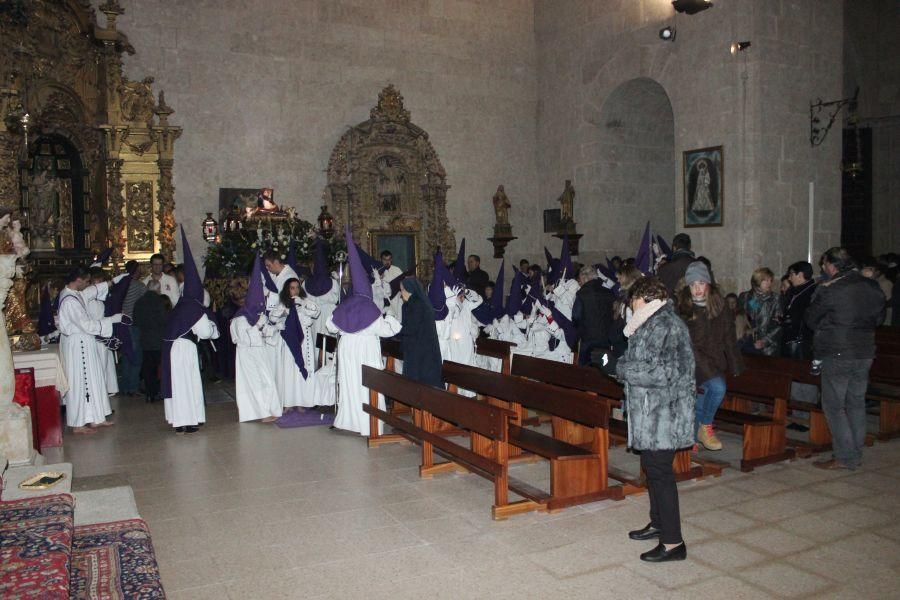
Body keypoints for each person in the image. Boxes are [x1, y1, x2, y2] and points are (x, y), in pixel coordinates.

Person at [615, 276, 694, 563]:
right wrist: (617, 365)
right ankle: (659, 523)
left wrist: (621, 370)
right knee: (652, 468)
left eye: (632, 300)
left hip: (666, 414)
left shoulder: (669, 326)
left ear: (644, 298)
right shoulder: (649, 323)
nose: (630, 306)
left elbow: (665, 373)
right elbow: (640, 362)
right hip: (651, 414)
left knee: (661, 474)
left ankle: (673, 543)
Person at [805, 247, 885, 470]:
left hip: (837, 352)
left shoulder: (831, 289)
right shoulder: (872, 285)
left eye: (823, 264)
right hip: (865, 351)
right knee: (856, 403)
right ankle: (855, 452)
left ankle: (844, 456)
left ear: (831, 265)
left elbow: (811, 319)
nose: (822, 269)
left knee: (834, 406)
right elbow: (879, 319)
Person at [327, 228, 402, 435]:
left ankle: (348, 421)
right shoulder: (371, 308)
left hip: (347, 349)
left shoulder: (345, 305)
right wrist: (392, 318)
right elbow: (386, 331)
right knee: (367, 386)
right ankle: (368, 424)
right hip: (366, 351)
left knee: (350, 384)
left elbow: (330, 326)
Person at [676, 261, 743, 451]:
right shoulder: (683, 309)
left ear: (708, 284)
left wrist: (735, 365)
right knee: (717, 388)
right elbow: (686, 343)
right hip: (692, 362)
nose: (697, 289)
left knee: (702, 400)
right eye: (692, 285)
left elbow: (730, 338)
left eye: (701, 283)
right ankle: (705, 427)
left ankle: (693, 437)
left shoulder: (721, 307)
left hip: (714, 361)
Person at [161, 229, 220, 434]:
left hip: (173, 348)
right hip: (185, 349)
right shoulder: (194, 307)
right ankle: (188, 420)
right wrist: (213, 328)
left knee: (178, 384)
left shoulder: (181, 304)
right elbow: (204, 332)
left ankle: (179, 420)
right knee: (187, 383)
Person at [58, 266, 122, 434]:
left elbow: (92, 291)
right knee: (80, 381)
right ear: (78, 280)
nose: (87, 284)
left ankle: (96, 418)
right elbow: (86, 324)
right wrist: (111, 321)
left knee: (93, 379)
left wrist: (111, 282)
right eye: (86, 281)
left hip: (85, 342)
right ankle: (78, 423)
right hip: (77, 344)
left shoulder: (76, 294)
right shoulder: (70, 300)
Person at [231, 255, 282, 423]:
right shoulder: (240, 318)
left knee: (266, 378)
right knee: (255, 382)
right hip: (249, 353)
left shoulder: (255, 314)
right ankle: (261, 412)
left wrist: (274, 328)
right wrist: (259, 326)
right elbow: (245, 339)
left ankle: (270, 408)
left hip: (260, 351)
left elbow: (265, 332)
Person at [273, 277, 320, 410]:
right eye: (292, 288)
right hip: (290, 341)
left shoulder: (305, 301)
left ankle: (302, 402)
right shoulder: (283, 303)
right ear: (287, 289)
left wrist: (303, 305)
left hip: (304, 340)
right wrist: (283, 314)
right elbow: (273, 317)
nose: (295, 290)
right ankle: (288, 402)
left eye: (297, 287)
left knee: (302, 367)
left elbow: (316, 312)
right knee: (289, 369)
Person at [398, 278, 443, 387]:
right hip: (417, 349)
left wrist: (394, 329)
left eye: (402, 290)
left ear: (410, 290)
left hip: (423, 352)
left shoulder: (417, 304)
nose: (401, 293)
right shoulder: (411, 304)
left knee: (423, 383)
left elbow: (411, 328)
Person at [133, 279, 168, 402]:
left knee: (148, 368)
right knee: (160, 367)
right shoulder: (160, 301)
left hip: (145, 339)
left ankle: (149, 393)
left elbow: (135, 320)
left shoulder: (139, 302)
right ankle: (160, 391)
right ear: (158, 289)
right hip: (158, 339)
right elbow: (164, 320)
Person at [573, 265, 615, 366]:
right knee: (604, 367)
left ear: (584, 278)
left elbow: (576, 316)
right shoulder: (609, 292)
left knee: (586, 370)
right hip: (606, 338)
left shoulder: (582, 294)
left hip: (588, 339)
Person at [87, 267, 119, 397]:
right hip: (96, 336)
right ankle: (99, 395)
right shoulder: (89, 299)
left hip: (103, 334)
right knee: (99, 368)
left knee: (105, 365)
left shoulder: (99, 299)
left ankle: (105, 391)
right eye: (97, 282)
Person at [739, 267, 782, 356]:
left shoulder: (775, 299)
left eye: (771, 280)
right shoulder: (745, 297)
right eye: (766, 280)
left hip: (768, 347)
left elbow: (779, 325)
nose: (769, 283)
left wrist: (764, 341)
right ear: (758, 281)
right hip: (746, 343)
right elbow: (739, 320)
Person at [119, 260, 146, 396]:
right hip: (134, 324)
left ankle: (124, 387)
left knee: (126, 356)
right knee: (136, 357)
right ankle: (133, 387)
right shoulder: (139, 286)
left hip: (122, 324)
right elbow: (146, 302)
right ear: (136, 271)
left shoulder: (121, 284)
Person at [781, 261, 816, 359]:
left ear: (800, 275)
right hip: (788, 338)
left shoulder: (813, 292)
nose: (789, 278)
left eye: (791, 274)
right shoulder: (793, 290)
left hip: (803, 341)